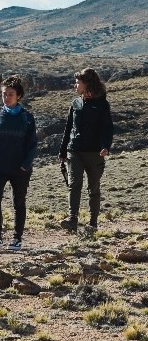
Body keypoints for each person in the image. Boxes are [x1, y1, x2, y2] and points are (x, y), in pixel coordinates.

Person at [0, 76, 38, 251]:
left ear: (19, 96)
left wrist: (25, 165)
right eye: (4, 94)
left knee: (18, 202)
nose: (6, 97)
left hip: (19, 168)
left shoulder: (27, 117)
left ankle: (17, 238)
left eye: (10, 94)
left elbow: (32, 144)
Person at [58, 68, 113, 233]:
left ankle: (93, 223)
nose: (75, 86)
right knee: (74, 184)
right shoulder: (76, 103)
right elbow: (68, 128)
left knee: (93, 187)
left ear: (87, 84)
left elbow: (107, 128)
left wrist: (106, 146)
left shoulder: (102, 104)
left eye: (78, 83)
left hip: (95, 153)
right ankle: (72, 219)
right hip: (74, 150)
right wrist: (62, 151)